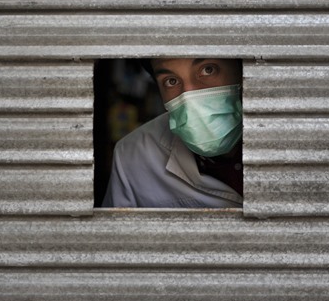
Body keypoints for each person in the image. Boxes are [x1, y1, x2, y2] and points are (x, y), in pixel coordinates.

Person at [102, 58, 243, 208]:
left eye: (208, 70)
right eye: (171, 81)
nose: (189, 97)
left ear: (242, 71)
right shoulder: (131, 154)